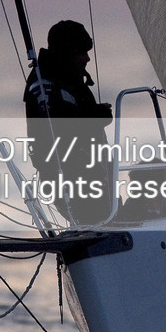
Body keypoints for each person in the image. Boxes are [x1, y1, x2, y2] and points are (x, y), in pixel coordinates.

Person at [24, 20, 113, 222]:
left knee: (111, 218)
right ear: (68, 52)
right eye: (82, 52)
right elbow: (58, 131)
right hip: (71, 180)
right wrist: (98, 115)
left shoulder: (67, 76)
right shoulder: (44, 85)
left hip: (94, 176)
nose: (87, 58)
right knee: (96, 221)